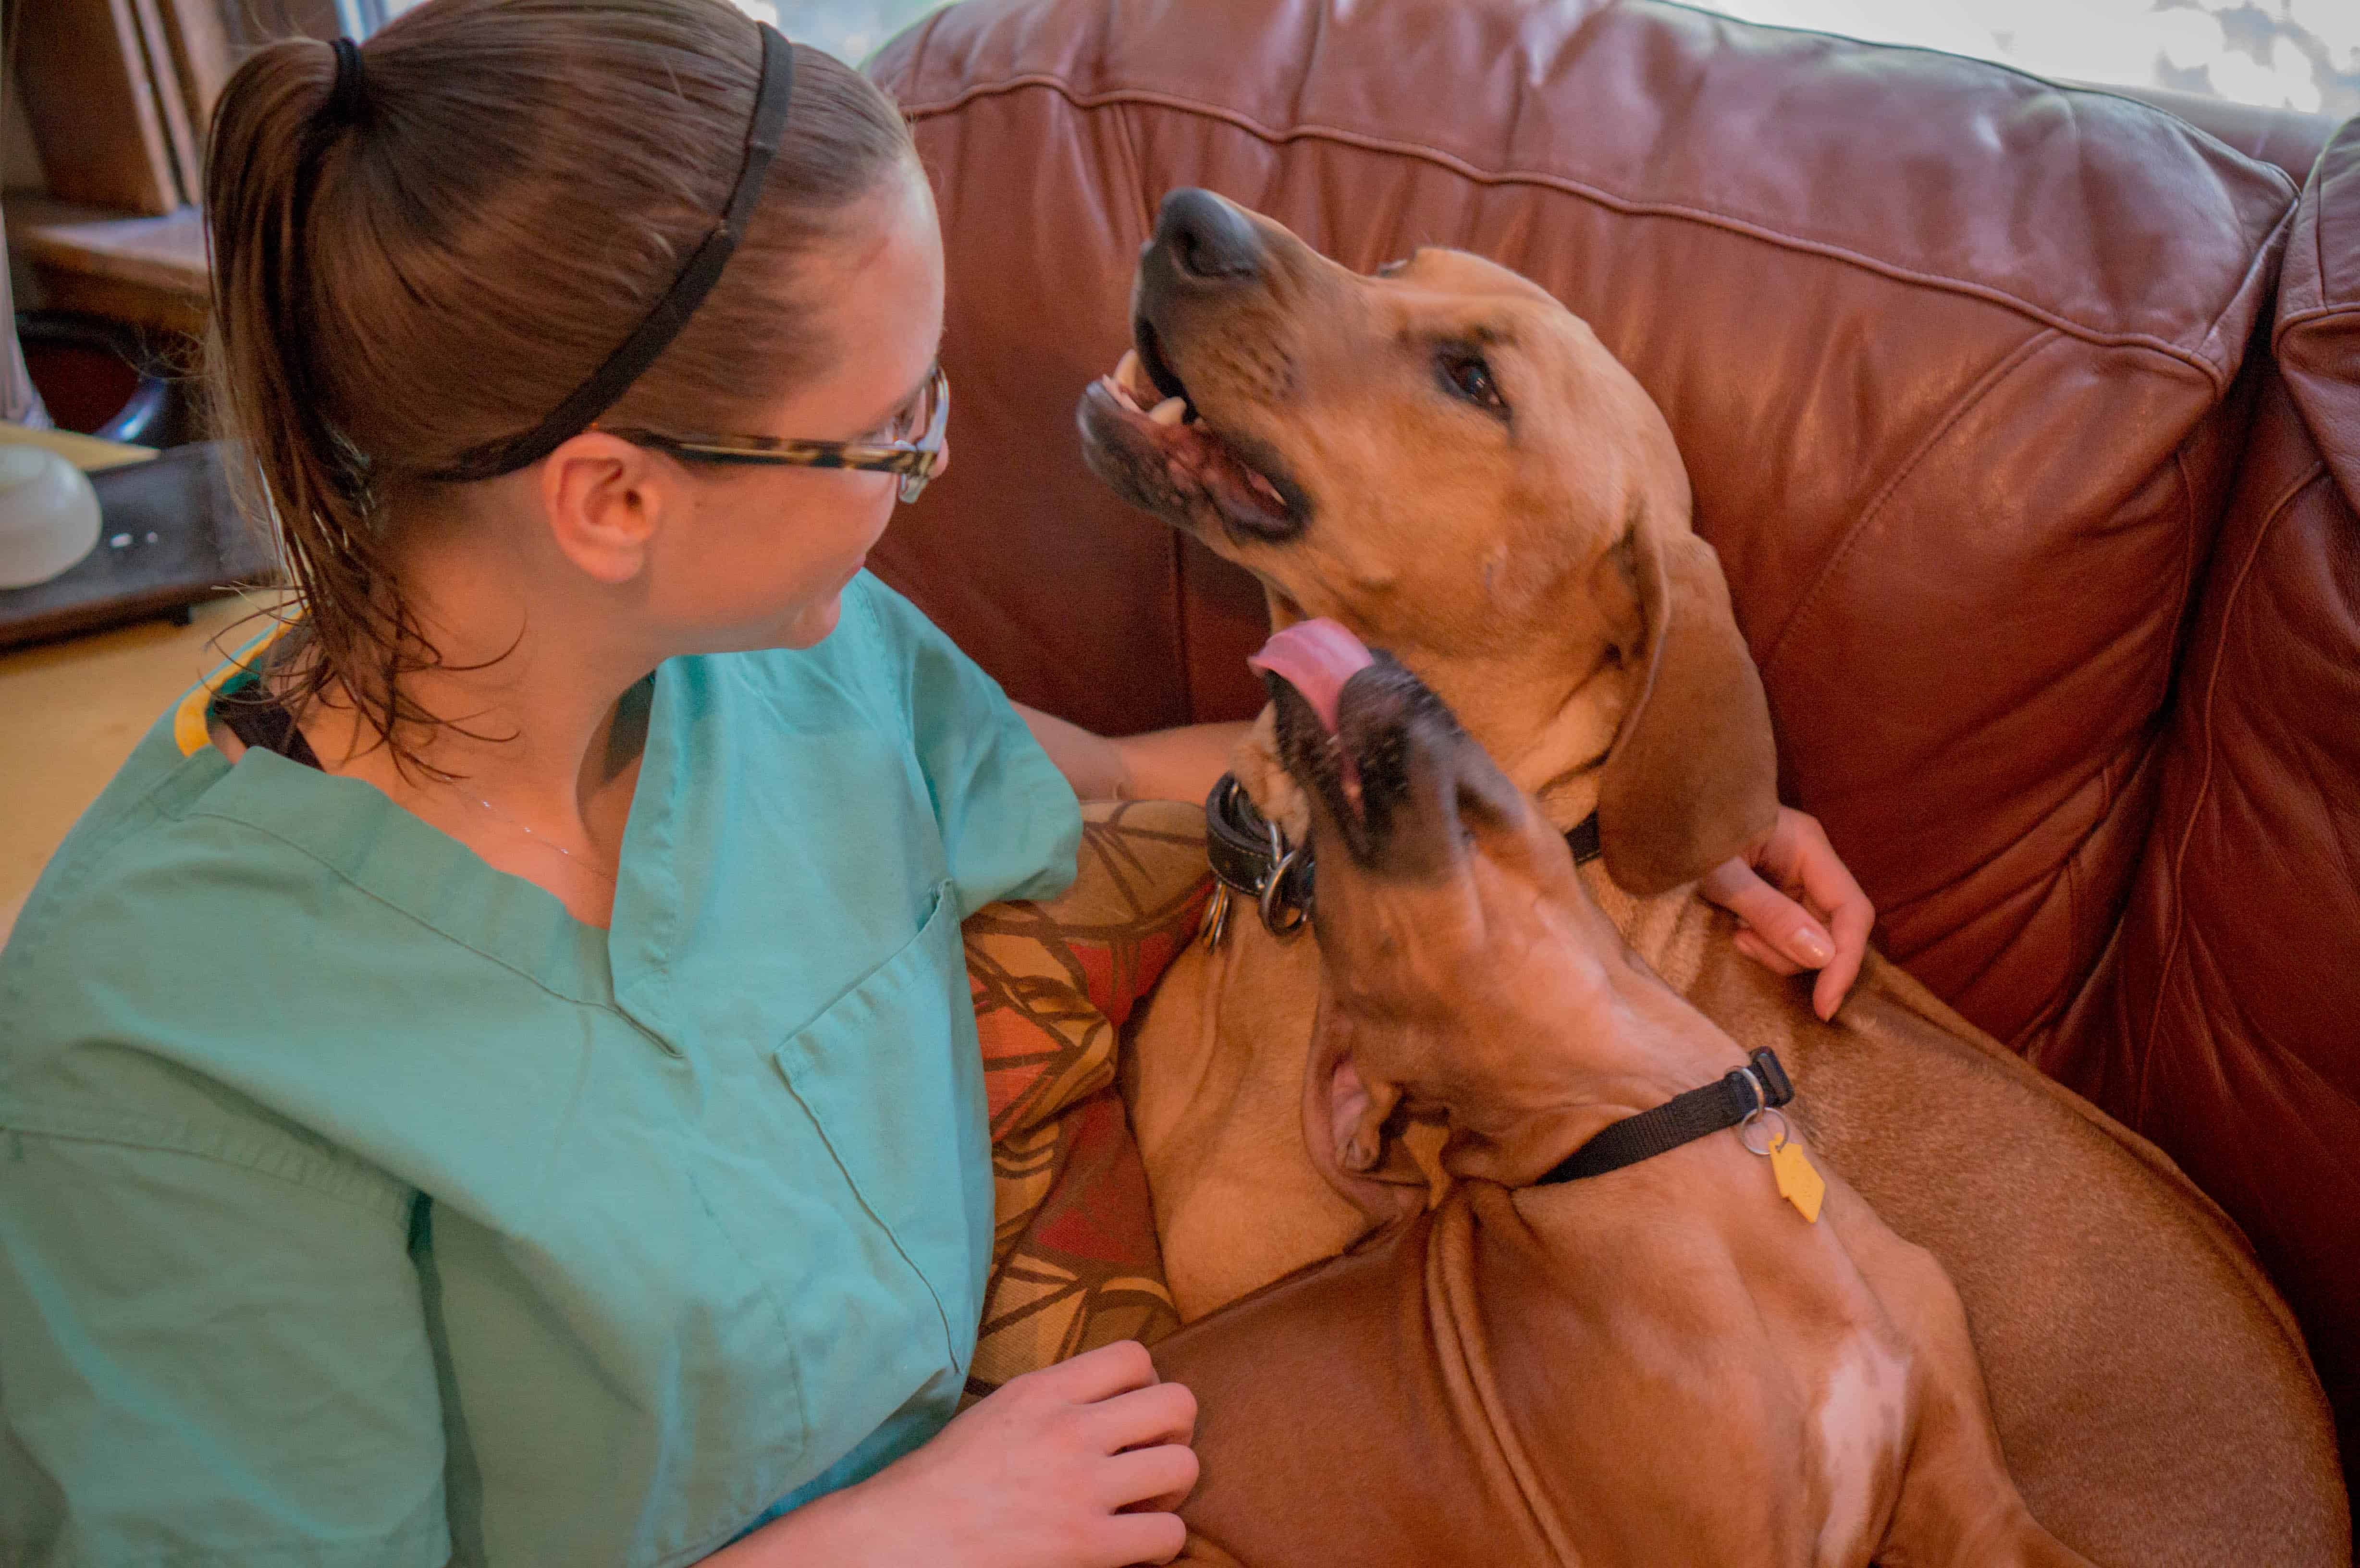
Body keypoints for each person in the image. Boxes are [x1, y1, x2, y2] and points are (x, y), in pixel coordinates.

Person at [0, 2, 1871, 1563]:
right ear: (612, 498)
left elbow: (1130, 774)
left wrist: (1626, 800)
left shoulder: (790, 681)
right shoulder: (161, 1055)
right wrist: (908, 1535)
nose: (935, 466)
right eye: (892, 428)